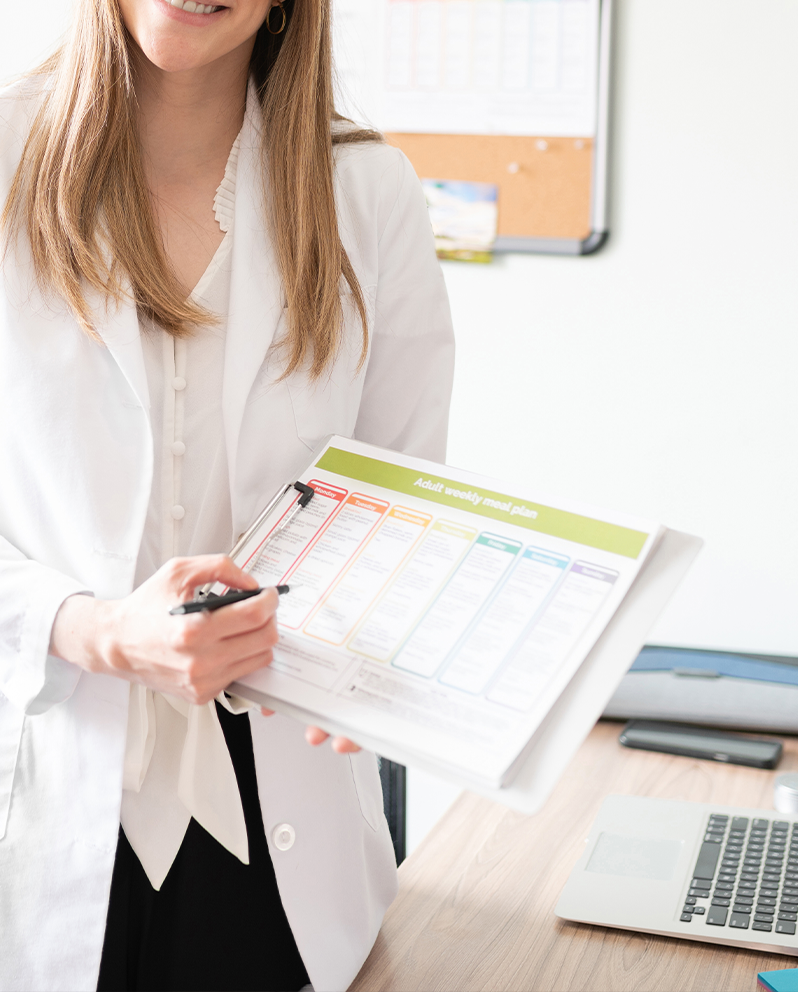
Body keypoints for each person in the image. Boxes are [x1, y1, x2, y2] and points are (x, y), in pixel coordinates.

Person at [0, 0, 454, 988]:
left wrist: (376, 655)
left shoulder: (367, 192)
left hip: (288, 836)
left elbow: (406, 511)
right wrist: (97, 628)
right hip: (47, 803)